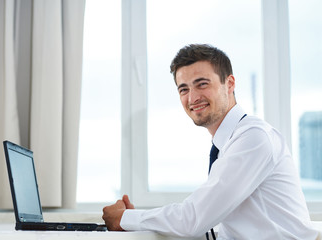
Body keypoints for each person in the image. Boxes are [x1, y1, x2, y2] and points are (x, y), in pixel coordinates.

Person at [102, 44, 320, 239]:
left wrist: (125, 218)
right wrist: (138, 222)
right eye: (184, 89)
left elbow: (194, 218)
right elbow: (206, 219)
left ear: (230, 83)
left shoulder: (254, 138)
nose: (193, 97)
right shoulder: (227, 144)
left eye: (202, 84)